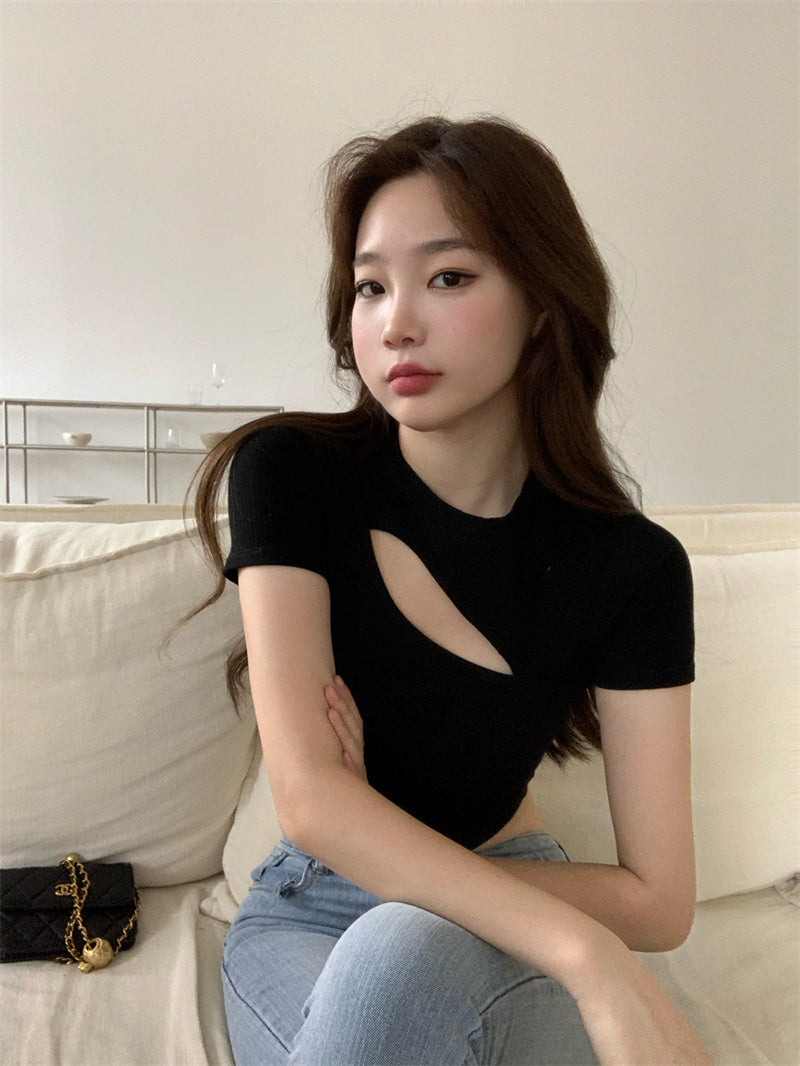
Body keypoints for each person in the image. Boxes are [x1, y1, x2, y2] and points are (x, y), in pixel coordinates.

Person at [190, 115, 711, 1065]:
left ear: (543, 301)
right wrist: (587, 955)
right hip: (318, 906)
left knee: (405, 950)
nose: (395, 323)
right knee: (391, 960)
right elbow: (311, 803)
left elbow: (661, 901)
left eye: (448, 277)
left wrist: (410, 863)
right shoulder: (294, 473)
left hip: (516, 888)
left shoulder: (631, 568)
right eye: (370, 286)